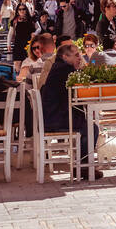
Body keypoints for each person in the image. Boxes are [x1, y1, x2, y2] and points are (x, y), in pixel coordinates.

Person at [39, 42, 100, 179]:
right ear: (65, 56)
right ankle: (83, 167)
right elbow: (80, 91)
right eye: (76, 55)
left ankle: (82, 164)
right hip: (57, 119)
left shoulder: (61, 67)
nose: (80, 57)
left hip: (53, 116)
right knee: (92, 128)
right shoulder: (65, 69)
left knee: (88, 125)